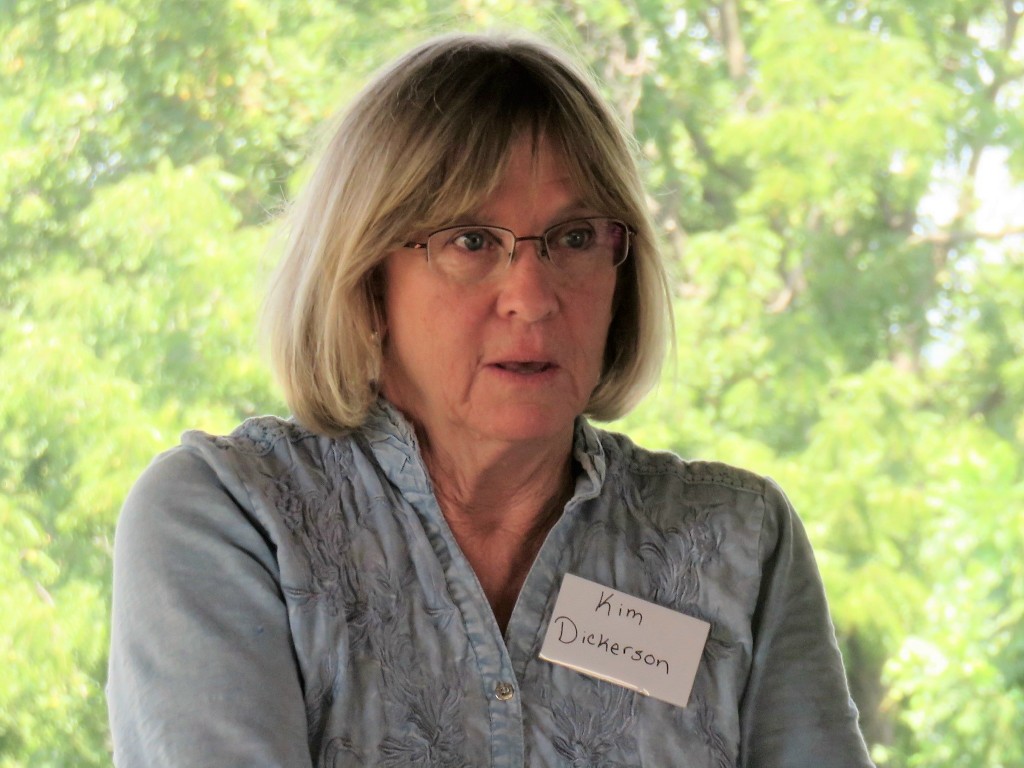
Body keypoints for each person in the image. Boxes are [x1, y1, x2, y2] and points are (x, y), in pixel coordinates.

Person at [107, 32, 874, 767]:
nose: (532, 298)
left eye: (575, 238)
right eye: (471, 241)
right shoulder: (232, 519)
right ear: (365, 279)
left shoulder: (736, 540)